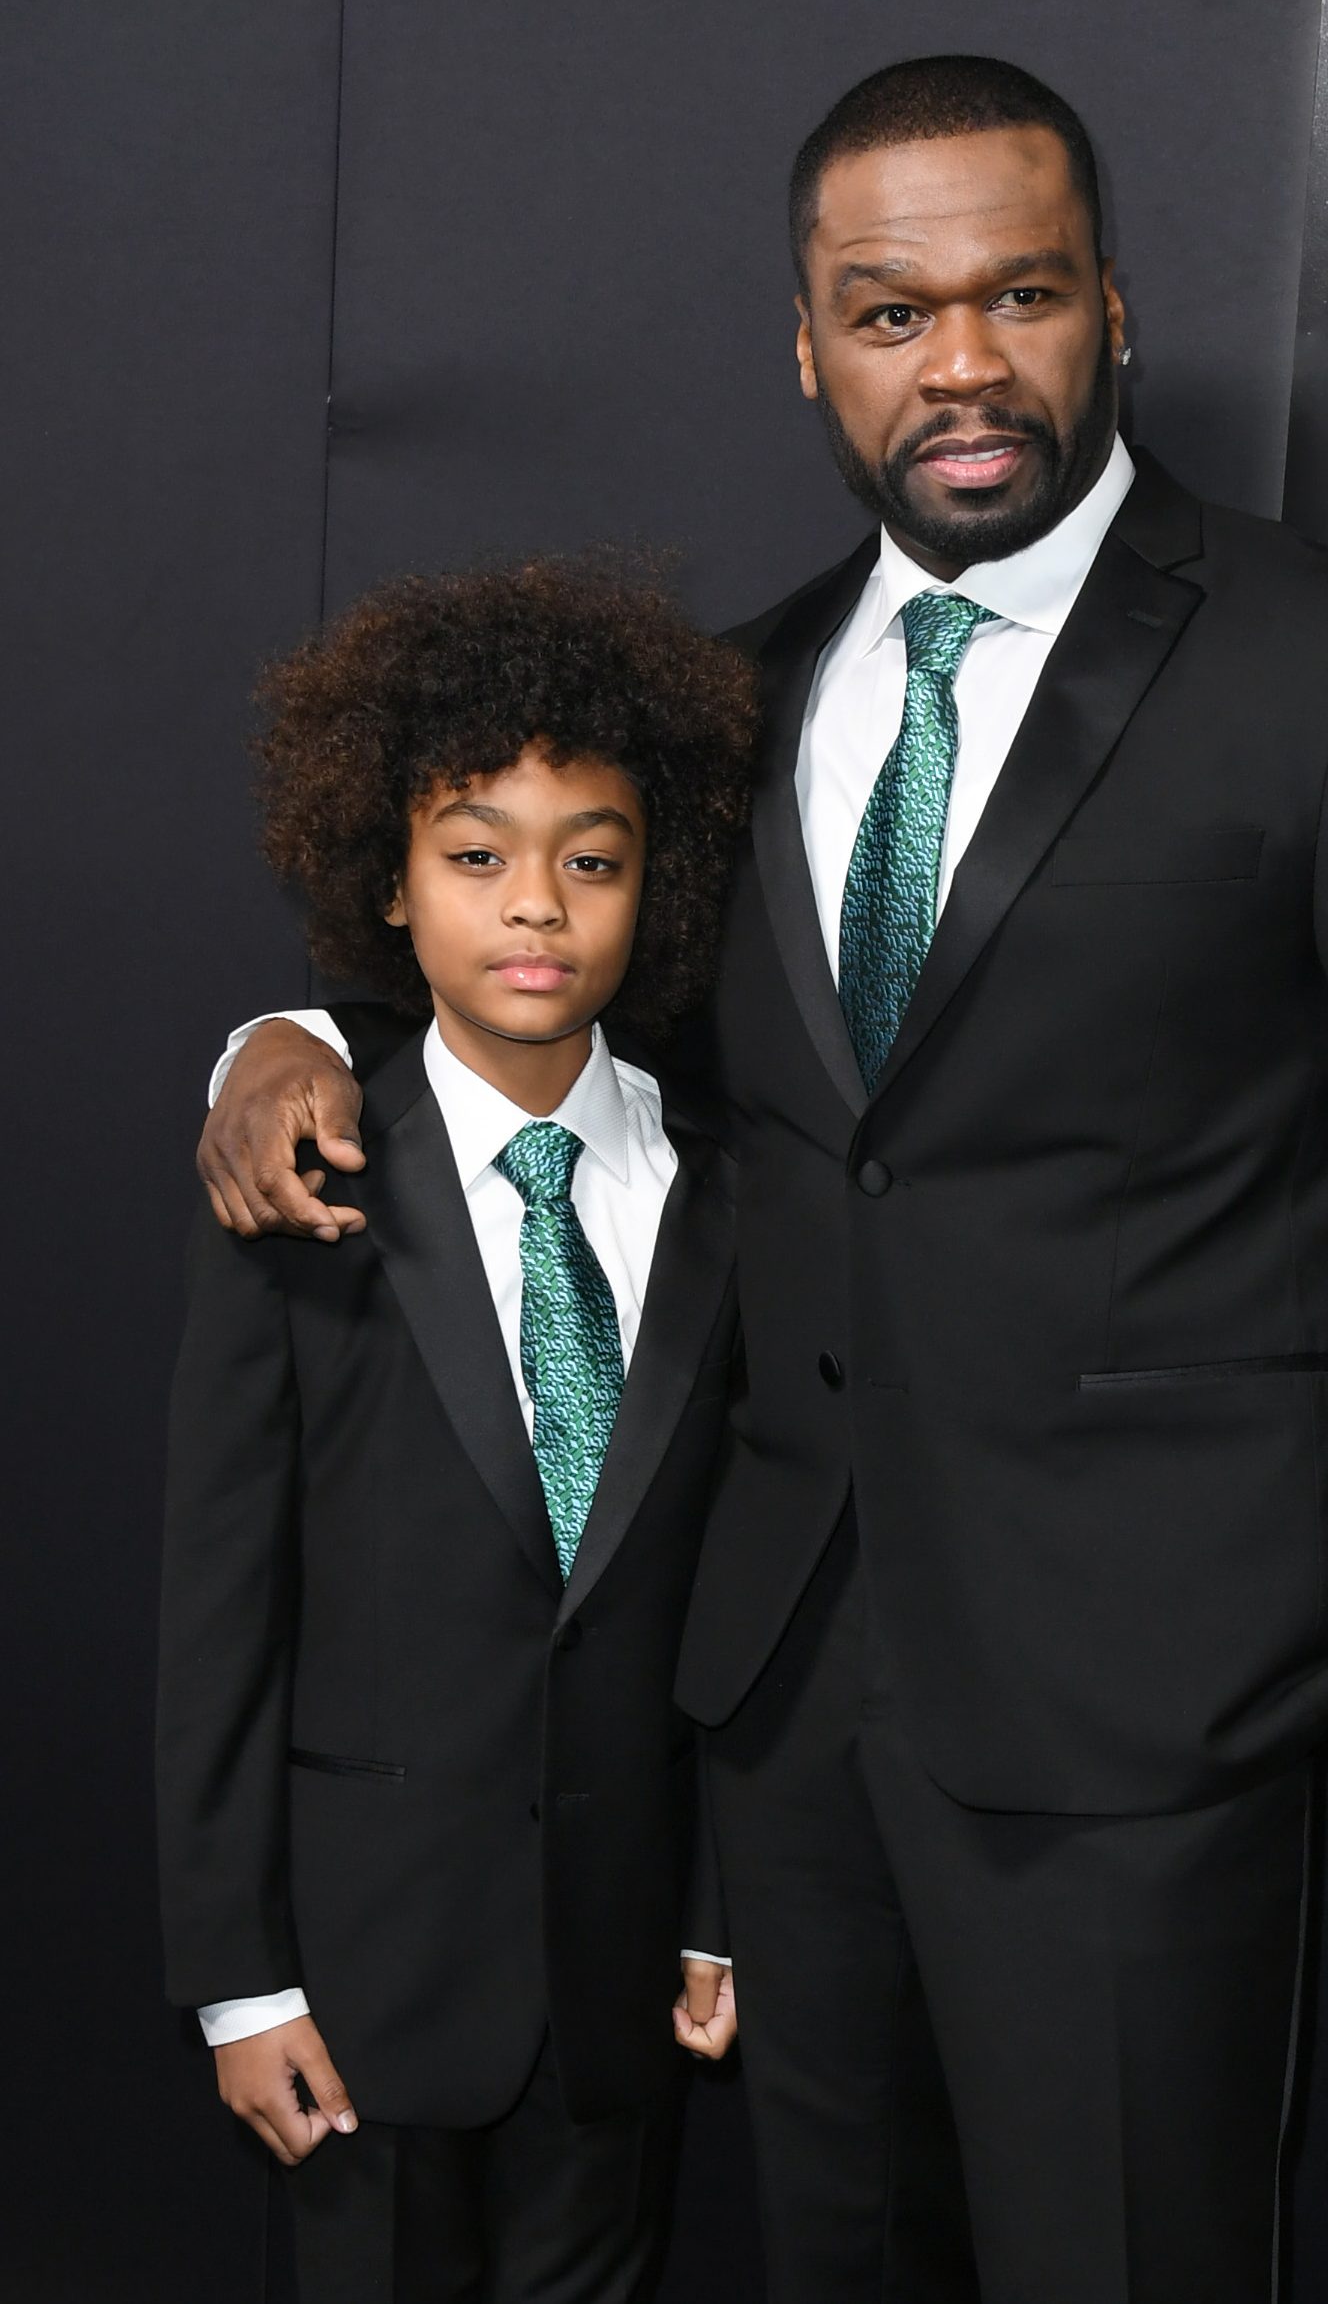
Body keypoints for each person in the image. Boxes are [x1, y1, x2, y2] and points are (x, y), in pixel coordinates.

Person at [196, 58, 1328, 2304]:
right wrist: (295, 1034)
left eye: (1021, 297)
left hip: (1149, 1685)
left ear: (1112, 315)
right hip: (785, 1687)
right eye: (890, 313)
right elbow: (564, 988)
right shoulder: (739, 696)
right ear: (808, 343)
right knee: (839, 2256)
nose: (960, 362)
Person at [159, 556, 754, 2304]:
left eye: (594, 858)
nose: (537, 908)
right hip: (357, 1971)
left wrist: (713, 1898)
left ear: (661, 887)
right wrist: (238, 1978)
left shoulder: (729, 1190)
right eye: (475, 855)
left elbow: (743, 1582)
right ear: (391, 886)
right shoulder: (305, 1169)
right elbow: (217, 1606)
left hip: (621, 1961)